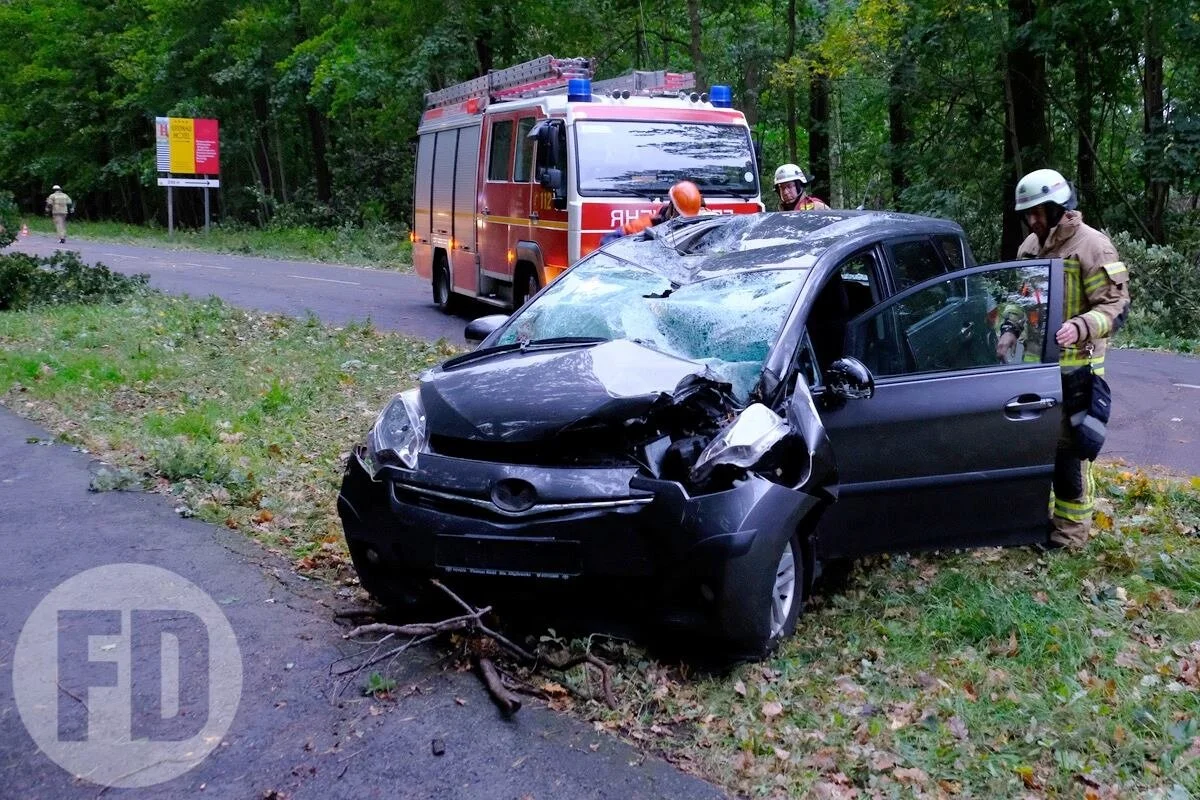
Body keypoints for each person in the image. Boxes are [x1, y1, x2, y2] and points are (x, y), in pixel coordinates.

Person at [997, 167, 1130, 550]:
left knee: (1071, 454)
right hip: (1035, 371)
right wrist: (1009, 329)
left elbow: (1115, 305)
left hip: (1078, 371)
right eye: (1029, 214)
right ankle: (1030, 526)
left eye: (1040, 212)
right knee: (1034, 449)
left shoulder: (1093, 247)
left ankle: (1069, 539)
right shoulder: (1028, 249)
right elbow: (1020, 302)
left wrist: (1082, 326)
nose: (1034, 220)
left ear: (1059, 207)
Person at [600, 180, 704, 245]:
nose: (683, 222)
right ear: (672, 208)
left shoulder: (702, 224)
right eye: (680, 216)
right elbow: (607, 242)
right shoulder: (646, 225)